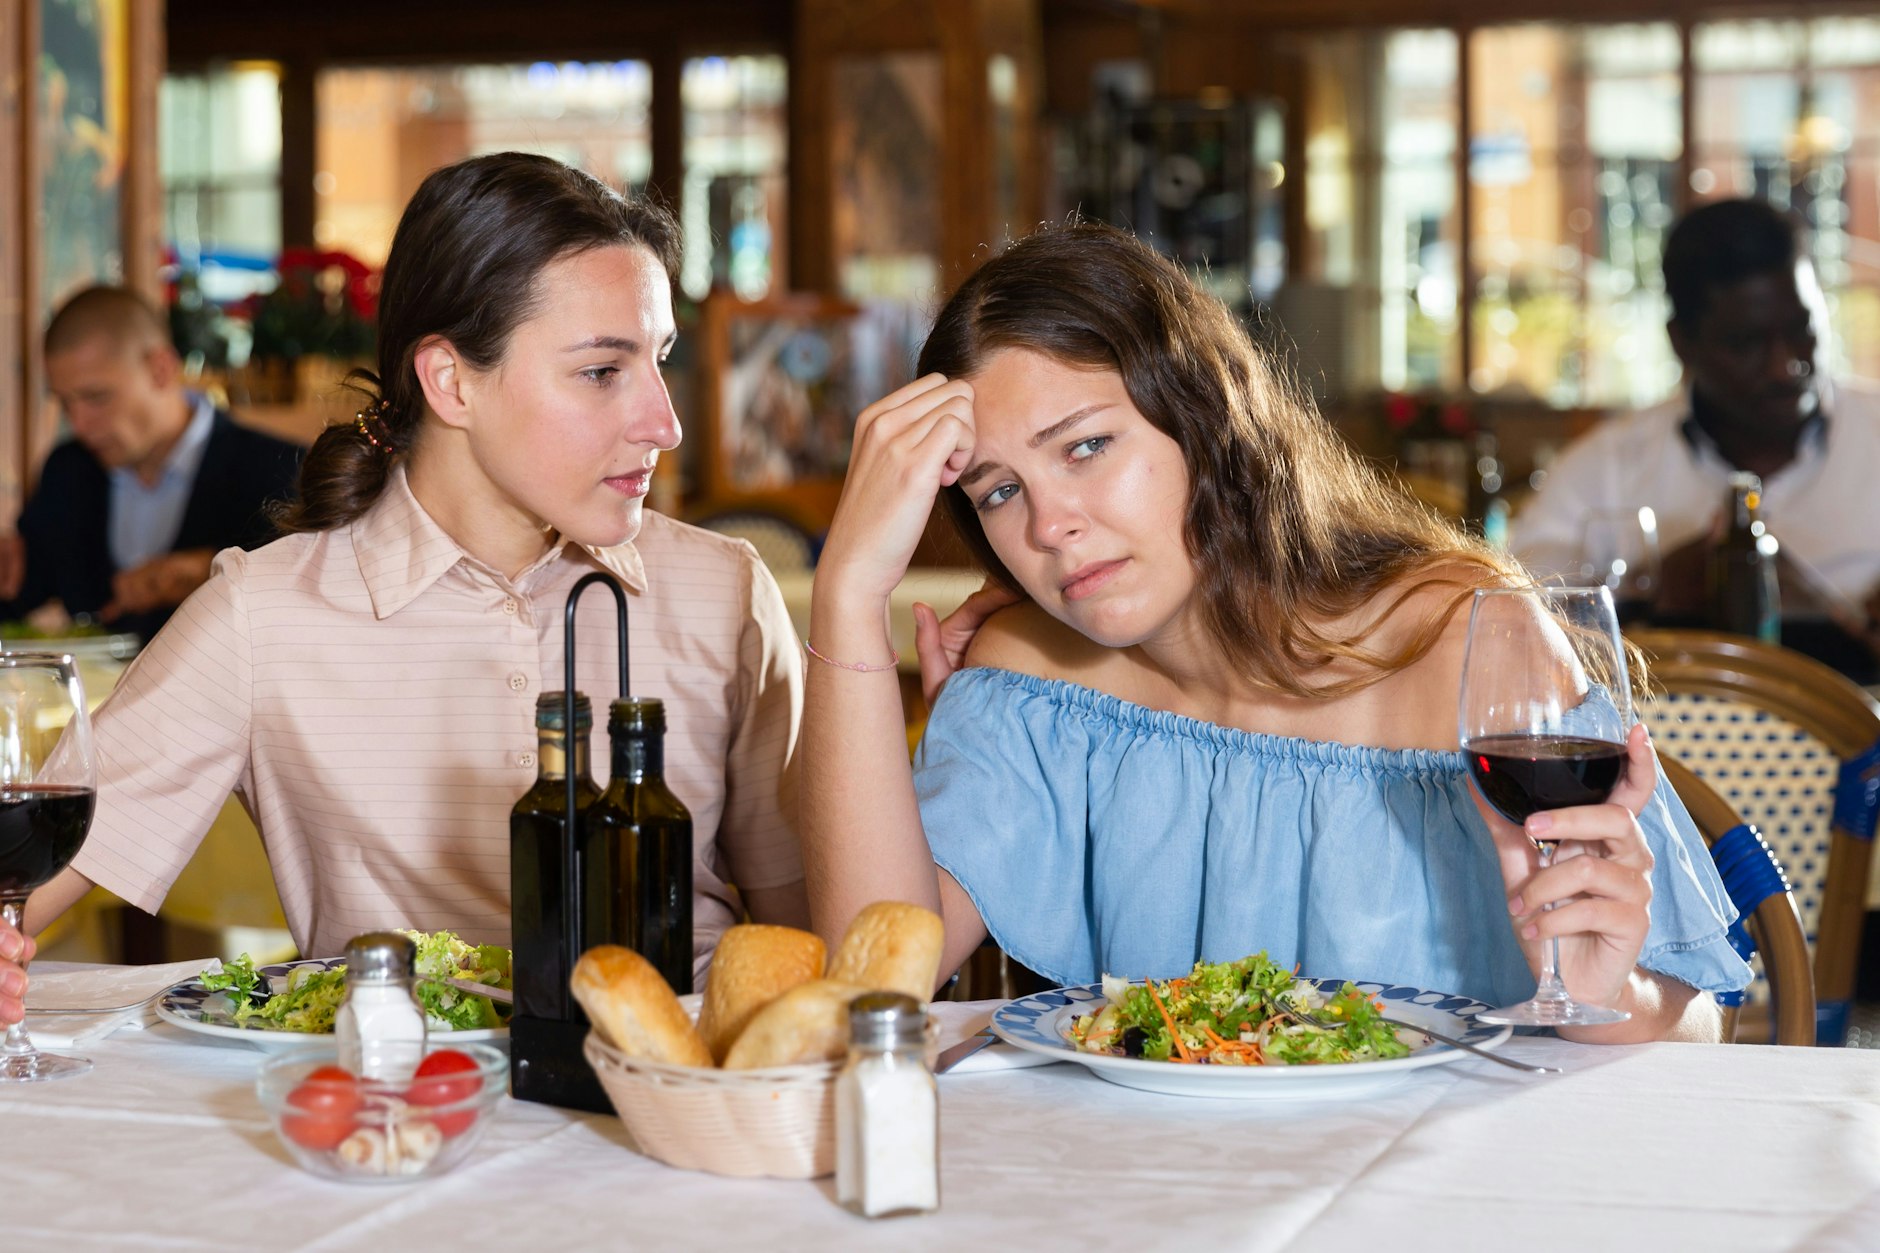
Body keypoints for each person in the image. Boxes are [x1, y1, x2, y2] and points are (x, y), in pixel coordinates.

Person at [802, 222, 1750, 1044]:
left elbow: (1703, 1029)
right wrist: (847, 593)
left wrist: (1602, 990)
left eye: (1087, 446)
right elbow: (873, 982)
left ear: (1207, 416)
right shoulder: (1037, 686)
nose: (1049, 526)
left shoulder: (1464, 644)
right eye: (1001, 490)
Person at [0, 153, 806, 1025]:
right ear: (451, 380)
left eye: (660, 360)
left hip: (682, 1124)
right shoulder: (261, 616)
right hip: (390, 1128)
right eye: (603, 371)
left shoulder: (723, 592)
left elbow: (806, 946)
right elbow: (31, 880)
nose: (665, 422)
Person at [1510, 198, 1880, 680]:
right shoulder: (1606, 470)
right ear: (1681, 341)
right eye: (1747, 344)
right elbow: (1518, 625)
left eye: (1802, 330)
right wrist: (1656, 587)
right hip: (1663, 749)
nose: (1784, 364)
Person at [0, 287, 305, 643]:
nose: (79, 423)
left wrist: (215, 574)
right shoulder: (67, 470)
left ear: (161, 368)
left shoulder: (281, 469)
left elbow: (308, 611)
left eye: (96, 398)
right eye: (66, 403)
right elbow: (21, 588)